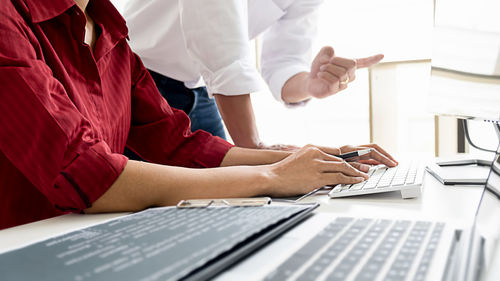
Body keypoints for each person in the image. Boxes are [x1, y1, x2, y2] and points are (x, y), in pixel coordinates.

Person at [0, 0, 396, 230]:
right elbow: (90, 175)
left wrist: (317, 156)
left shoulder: (109, 31)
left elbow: (179, 144)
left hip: (78, 234)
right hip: (26, 245)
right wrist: (272, 172)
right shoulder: (8, 20)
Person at [118, 0, 384, 148]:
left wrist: (311, 84)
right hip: (133, 76)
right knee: (139, 201)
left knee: (224, 198)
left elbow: (284, 63)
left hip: (200, 89)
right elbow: (220, 45)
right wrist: (255, 149)